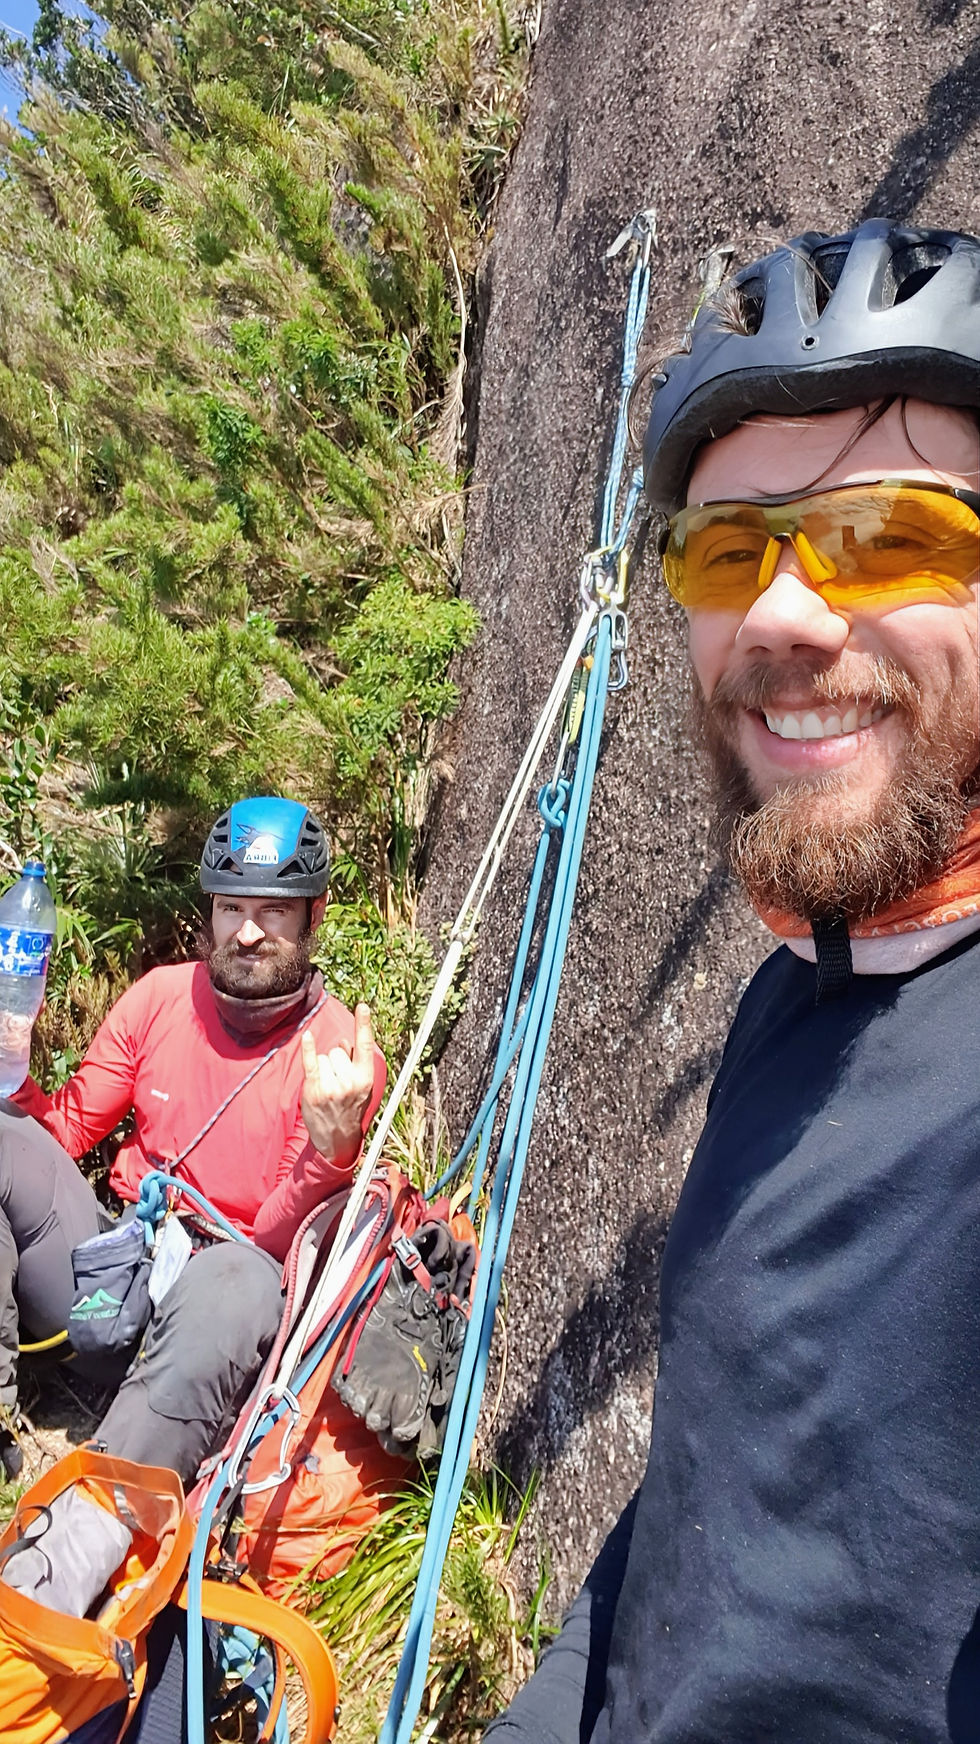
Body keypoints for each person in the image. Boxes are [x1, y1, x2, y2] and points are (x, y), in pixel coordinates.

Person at [486, 220, 980, 1742]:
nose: (777, 612)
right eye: (725, 550)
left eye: (889, 531)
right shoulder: (800, 1000)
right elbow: (703, 1515)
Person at [0, 794, 385, 1483]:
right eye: (232, 907)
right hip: (109, 1283)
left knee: (235, 1279)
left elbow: (271, 1252)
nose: (246, 932)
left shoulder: (337, 1063)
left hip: (217, 1311)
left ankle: (100, 1515)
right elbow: (65, 1131)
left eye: (273, 910)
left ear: (314, 915)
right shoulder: (160, 998)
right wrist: (12, 1066)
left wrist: (331, 1158)